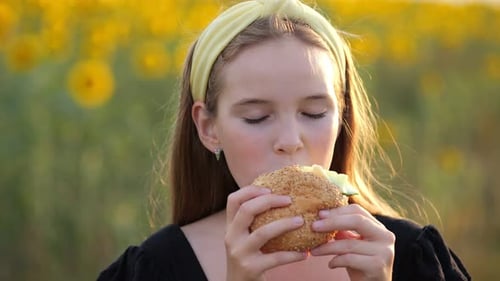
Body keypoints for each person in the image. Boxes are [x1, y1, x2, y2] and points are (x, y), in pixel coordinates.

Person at [97, 0, 471, 280]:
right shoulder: (154, 268)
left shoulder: (410, 257)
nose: (290, 141)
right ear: (208, 128)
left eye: (314, 113)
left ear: (341, 116)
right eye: (256, 117)